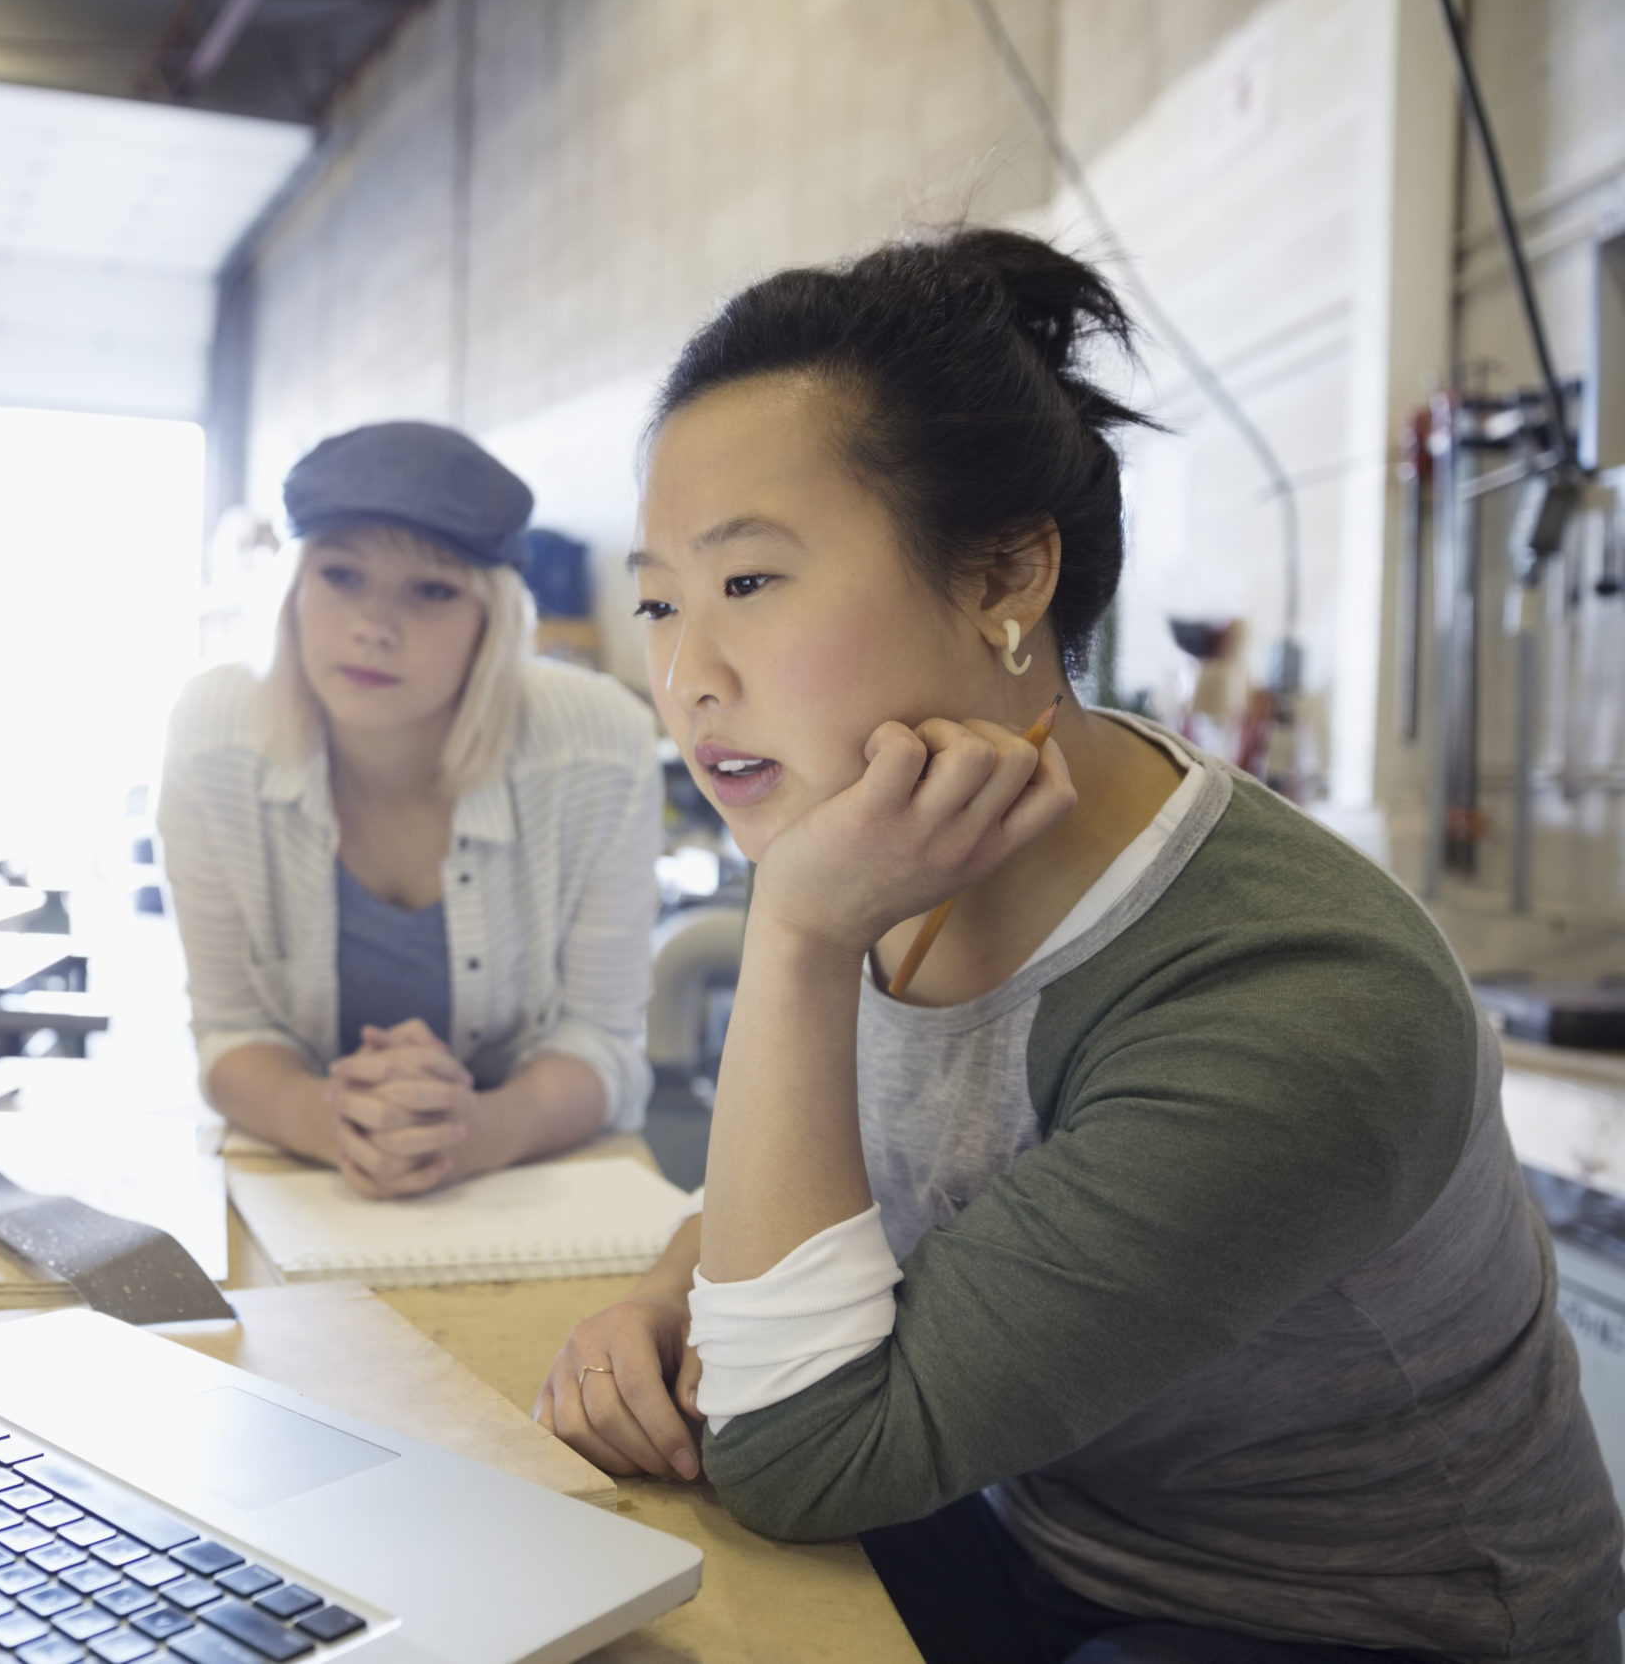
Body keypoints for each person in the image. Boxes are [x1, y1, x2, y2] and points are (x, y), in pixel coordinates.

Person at [538, 230, 1622, 1662]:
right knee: (597, 1580)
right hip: (1055, 1543)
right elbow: (856, 1184)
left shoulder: (1295, 998)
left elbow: (800, 1454)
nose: (686, 678)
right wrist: (661, 1292)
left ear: (1005, 572)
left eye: (749, 584)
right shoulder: (893, 848)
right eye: (663, 600)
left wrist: (795, 934)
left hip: (1362, 1626)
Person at [158, 422, 660, 1201]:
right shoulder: (215, 733)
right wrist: (329, 1121)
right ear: (292, 590)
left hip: (528, 1186)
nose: (374, 626)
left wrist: (476, 1133)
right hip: (304, 1186)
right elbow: (229, 1030)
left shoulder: (601, 743)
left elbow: (604, 1039)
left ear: (491, 619)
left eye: (431, 590)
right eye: (341, 575)